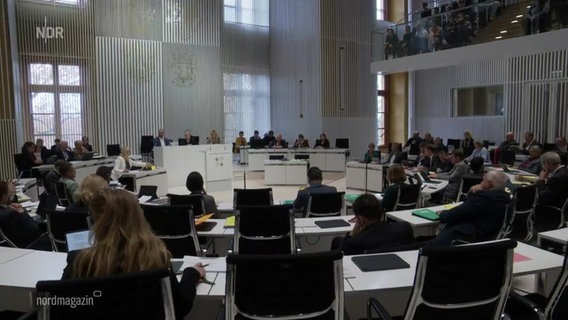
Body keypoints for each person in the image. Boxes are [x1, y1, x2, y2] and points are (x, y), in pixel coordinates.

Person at [61, 189, 206, 319]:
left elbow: (60, 307)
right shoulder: (156, 258)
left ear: (94, 222)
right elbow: (180, 307)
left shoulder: (80, 261)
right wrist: (190, 274)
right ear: (139, 217)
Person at [430, 171, 510, 245]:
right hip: (482, 238)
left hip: (463, 238)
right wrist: (472, 193)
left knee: (425, 246)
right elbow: (469, 208)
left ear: (489, 184)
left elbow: (454, 214)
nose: (480, 183)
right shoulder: (503, 198)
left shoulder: (484, 198)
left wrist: (442, 213)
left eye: (482, 180)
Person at [331, 194, 414, 255]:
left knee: (337, 241)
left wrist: (352, 234)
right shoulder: (405, 228)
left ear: (361, 219)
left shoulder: (355, 242)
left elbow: (340, 255)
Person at [0, 180, 44, 248]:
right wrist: (22, 212)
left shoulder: (6, 212)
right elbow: (34, 229)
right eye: (7, 193)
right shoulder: (11, 214)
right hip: (26, 246)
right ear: (3, 195)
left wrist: (12, 194)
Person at [533, 152, 568, 231]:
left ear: (547, 164)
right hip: (560, 207)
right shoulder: (564, 171)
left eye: (542, 164)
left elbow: (541, 198)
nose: (542, 167)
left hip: (551, 211)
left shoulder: (557, 178)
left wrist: (541, 180)